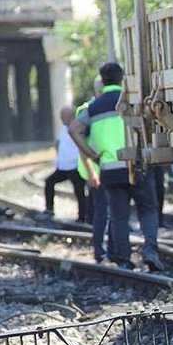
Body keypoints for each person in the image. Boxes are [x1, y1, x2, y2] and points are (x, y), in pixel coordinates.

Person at [69, 62, 164, 272]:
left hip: (110, 169)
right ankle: (150, 250)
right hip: (137, 164)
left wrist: (91, 154)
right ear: (122, 79)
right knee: (147, 209)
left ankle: (123, 259)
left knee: (119, 215)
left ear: (102, 81)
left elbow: (73, 129)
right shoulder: (132, 101)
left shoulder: (94, 107)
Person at [76, 77, 115, 263]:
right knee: (102, 211)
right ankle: (99, 250)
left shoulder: (100, 106)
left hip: (106, 165)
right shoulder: (89, 109)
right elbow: (81, 144)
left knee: (109, 210)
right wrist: (91, 171)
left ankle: (110, 250)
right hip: (97, 168)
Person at [41, 107, 87, 222]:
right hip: (63, 167)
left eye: (63, 117)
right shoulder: (63, 128)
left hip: (75, 165)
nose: (61, 119)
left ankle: (83, 216)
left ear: (70, 116)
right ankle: (49, 209)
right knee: (49, 182)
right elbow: (59, 143)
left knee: (79, 191)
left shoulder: (78, 126)